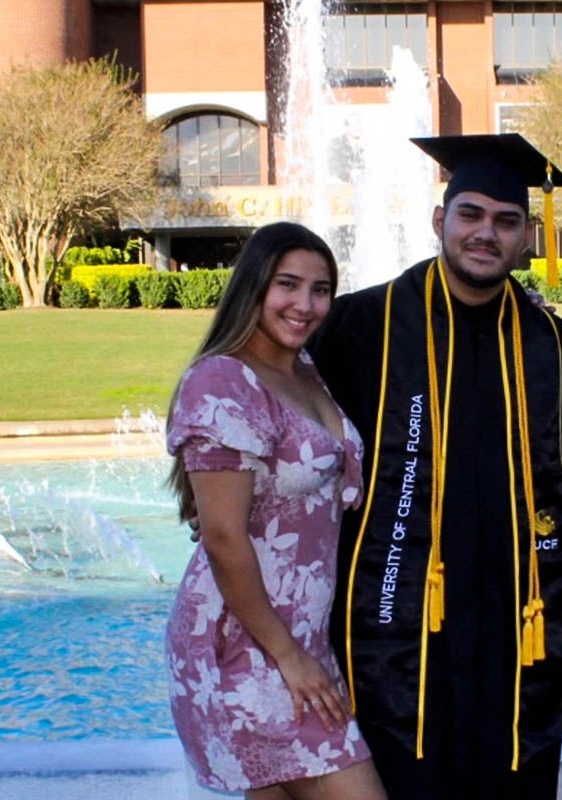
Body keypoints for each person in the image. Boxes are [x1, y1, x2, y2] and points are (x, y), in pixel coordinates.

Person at [308, 133, 562, 800]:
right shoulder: (359, 326)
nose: (485, 233)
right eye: (470, 214)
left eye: (506, 221)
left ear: (527, 237)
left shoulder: (561, 346)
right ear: (440, 220)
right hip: (398, 624)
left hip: (515, 626)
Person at [164, 221, 387, 799]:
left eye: (321, 290)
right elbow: (221, 537)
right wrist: (289, 657)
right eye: (288, 284)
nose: (305, 304)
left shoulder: (301, 369)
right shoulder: (222, 380)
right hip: (244, 645)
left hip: (300, 642)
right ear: (254, 285)